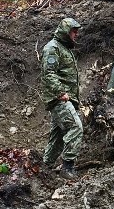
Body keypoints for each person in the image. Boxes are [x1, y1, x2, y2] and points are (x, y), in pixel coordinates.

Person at [41, 17, 83, 179]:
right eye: (74, 31)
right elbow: (48, 73)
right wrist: (60, 92)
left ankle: (45, 167)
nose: (76, 34)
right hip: (59, 99)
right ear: (66, 31)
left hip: (65, 98)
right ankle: (67, 168)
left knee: (58, 135)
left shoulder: (63, 48)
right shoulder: (52, 48)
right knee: (75, 127)